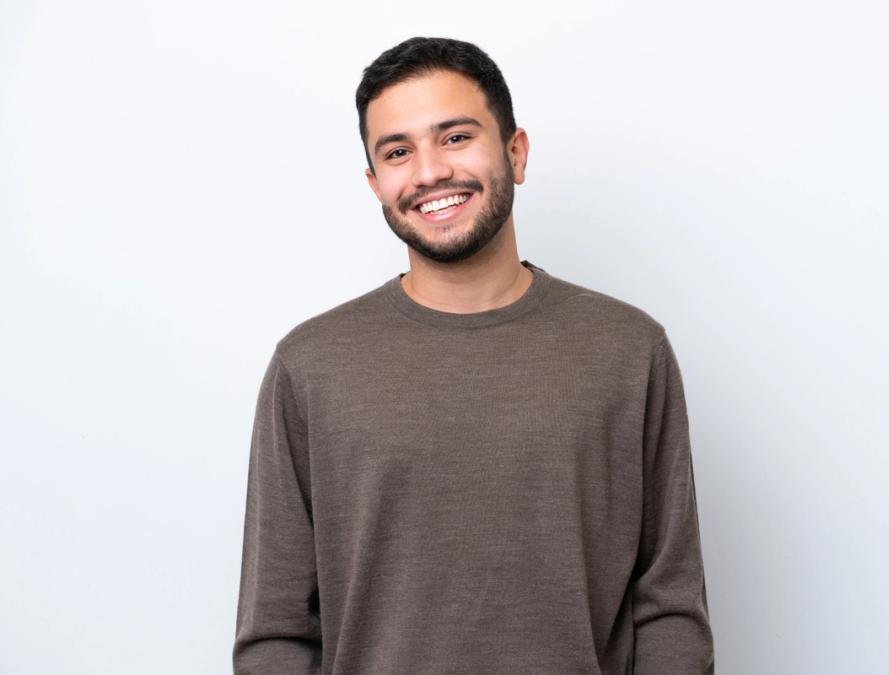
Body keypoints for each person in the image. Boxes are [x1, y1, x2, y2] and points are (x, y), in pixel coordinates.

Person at [233, 36, 715, 674]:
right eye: (398, 152)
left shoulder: (628, 351)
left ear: (515, 152)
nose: (430, 172)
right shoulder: (309, 366)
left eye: (455, 137)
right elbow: (276, 630)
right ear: (375, 183)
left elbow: (669, 605)